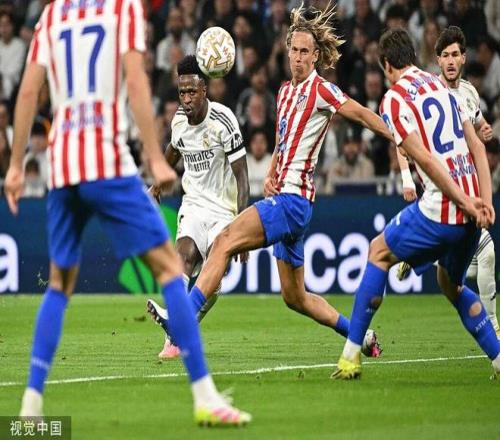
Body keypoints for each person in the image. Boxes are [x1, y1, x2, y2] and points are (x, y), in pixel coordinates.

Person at [4, 0, 250, 426]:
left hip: (64, 165)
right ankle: (205, 396)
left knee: (59, 285)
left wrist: (14, 166)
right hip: (105, 161)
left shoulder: (52, 15)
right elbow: (135, 81)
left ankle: (30, 404)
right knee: (170, 269)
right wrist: (155, 158)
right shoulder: (122, 9)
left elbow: (27, 92)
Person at [172, 3, 397, 359]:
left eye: (305, 52)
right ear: (288, 51)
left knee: (225, 240)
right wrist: (272, 172)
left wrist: (401, 137)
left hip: (293, 201)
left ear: (316, 56)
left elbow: (363, 115)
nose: (298, 58)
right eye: (294, 50)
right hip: (285, 198)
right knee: (295, 297)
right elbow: (283, 141)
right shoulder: (285, 92)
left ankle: (183, 319)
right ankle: (361, 336)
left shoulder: (321, 90)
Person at [332, 28, 500, 380]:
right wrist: (483, 202)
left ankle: (349, 356)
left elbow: (423, 158)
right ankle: (499, 359)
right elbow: (477, 146)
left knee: (378, 252)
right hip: (471, 211)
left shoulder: (393, 99)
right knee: (450, 284)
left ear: (387, 65)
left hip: (443, 208)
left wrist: (463, 201)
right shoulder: (442, 86)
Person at [397, 26, 500, 337]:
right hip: (440, 192)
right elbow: (401, 138)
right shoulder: (426, 92)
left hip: (466, 189)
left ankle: (417, 254)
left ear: (464, 58)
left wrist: (484, 130)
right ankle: (492, 327)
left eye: (456, 54)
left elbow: (479, 125)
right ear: (438, 61)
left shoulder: (469, 93)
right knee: (485, 252)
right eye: (445, 55)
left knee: (467, 262)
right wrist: (407, 178)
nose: (451, 60)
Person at [146, 55, 249, 359]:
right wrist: (157, 184)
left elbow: (242, 177)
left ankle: (180, 328)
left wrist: (242, 227)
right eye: (182, 92)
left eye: (192, 91)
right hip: (193, 204)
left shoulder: (223, 121)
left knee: (213, 278)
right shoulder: (179, 121)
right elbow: (173, 150)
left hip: (224, 211)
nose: (187, 99)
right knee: (184, 255)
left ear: (205, 89)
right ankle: (176, 330)